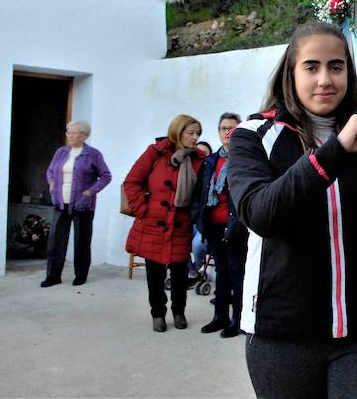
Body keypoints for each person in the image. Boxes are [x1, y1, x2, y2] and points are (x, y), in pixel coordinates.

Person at [227, 22, 357, 398]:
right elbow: (260, 214)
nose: (325, 79)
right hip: (282, 330)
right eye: (311, 67)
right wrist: (335, 151)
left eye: (336, 67)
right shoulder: (253, 135)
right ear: (290, 73)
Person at [124, 114, 204, 332]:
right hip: (154, 223)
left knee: (180, 274)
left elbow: (201, 194)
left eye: (198, 133)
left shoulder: (198, 159)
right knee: (155, 274)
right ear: (178, 132)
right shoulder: (155, 152)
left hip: (181, 224)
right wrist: (142, 209)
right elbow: (131, 182)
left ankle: (179, 312)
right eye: (191, 133)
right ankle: (157, 314)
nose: (195, 137)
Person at [191, 112, 247, 338]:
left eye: (232, 128)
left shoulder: (246, 159)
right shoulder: (210, 161)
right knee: (221, 272)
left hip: (236, 226)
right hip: (212, 226)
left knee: (236, 273)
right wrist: (199, 218)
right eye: (223, 128)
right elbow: (200, 194)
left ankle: (239, 319)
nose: (227, 132)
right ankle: (220, 316)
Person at [42, 121, 112, 287]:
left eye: (75, 133)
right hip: (60, 203)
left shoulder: (93, 154)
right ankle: (53, 276)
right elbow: (51, 171)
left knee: (81, 241)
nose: (71, 136)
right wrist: (52, 184)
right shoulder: (61, 152)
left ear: (84, 135)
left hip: (83, 205)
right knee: (56, 242)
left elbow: (106, 176)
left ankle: (80, 275)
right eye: (68, 132)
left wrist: (89, 192)